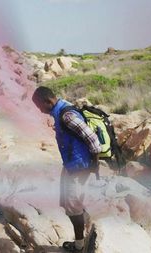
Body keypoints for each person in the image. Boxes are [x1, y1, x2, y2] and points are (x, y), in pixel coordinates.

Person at [32, 86, 101, 252]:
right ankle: (84, 235)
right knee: (69, 202)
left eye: (40, 106)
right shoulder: (62, 109)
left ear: (48, 101)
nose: (40, 111)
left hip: (79, 168)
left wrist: (94, 165)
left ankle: (79, 246)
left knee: (73, 209)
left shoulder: (67, 115)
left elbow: (93, 139)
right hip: (72, 165)